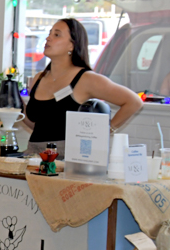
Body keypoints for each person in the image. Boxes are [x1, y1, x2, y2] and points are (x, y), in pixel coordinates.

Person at [22, 18, 142, 153]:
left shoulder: (86, 79)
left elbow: (134, 102)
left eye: (56, 35)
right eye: (49, 34)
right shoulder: (39, 77)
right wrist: (17, 106)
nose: (48, 38)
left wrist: (107, 131)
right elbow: (37, 125)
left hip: (66, 159)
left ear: (72, 45)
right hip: (33, 155)